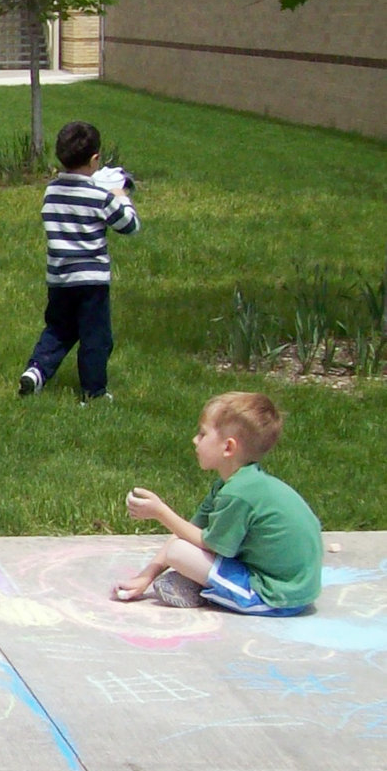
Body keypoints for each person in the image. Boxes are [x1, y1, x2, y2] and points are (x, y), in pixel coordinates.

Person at [115, 392, 322, 616]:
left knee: (179, 553)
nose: (195, 440)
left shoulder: (237, 495)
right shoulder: (235, 484)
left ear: (228, 448)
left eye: (202, 434)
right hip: (292, 583)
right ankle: (199, 580)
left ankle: (202, 588)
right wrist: (147, 575)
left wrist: (160, 512)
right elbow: (187, 532)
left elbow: (206, 544)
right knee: (182, 550)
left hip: (277, 596)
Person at [17, 121, 140, 402]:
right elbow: (130, 226)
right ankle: (94, 392)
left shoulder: (51, 191)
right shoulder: (100, 196)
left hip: (59, 278)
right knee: (95, 337)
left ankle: (36, 372)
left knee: (58, 329)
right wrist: (121, 196)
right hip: (92, 282)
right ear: (95, 159)